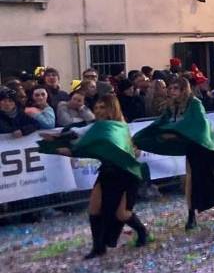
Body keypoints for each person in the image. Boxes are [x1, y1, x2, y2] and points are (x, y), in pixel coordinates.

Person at [39, 95, 148, 259]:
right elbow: (78, 134)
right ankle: (98, 247)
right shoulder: (96, 127)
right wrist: (55, 141)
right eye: (96, 108)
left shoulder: (120, 127)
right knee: (94, 208)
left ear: (112, 108)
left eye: (102, 107)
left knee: (122, 214)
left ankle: (142, 232)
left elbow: (131, 149)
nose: (98, 111)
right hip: (107, 171)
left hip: (126, 174)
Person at [133, 78, 214, 229]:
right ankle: (191, 216)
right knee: (190, 179)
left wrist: (174, 133)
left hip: (209, 145)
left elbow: (197, 125)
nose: (172, 91)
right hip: (192, 147)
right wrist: (139, 138)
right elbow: (159, 124)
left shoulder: (195, 104)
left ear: (184, 90)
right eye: (170, 88)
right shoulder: (171, 108)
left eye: (176, 88)